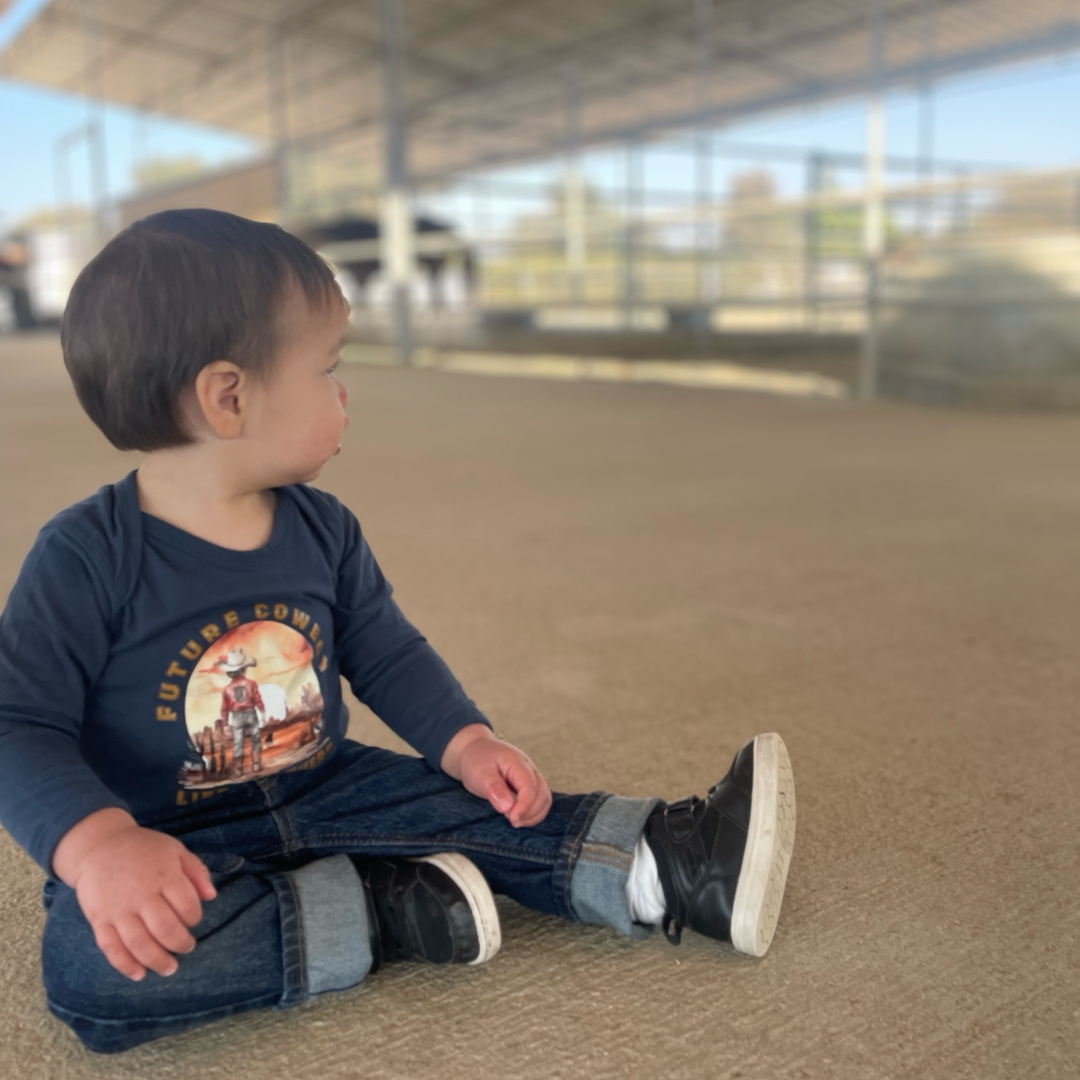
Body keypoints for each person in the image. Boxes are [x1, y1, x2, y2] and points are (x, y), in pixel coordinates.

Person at [0, 209, 797, 1055]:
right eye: (327, 370)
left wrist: (463, 740)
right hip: (167, 834)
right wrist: (100, 848)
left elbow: (385, 649)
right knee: (95, 969)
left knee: (481, 807)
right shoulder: (85, 556)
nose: (343, 394)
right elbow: (18, 722)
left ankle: (665, 867)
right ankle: (379, 910)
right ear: (228, 396)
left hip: (327, 784)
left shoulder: (323, 527)